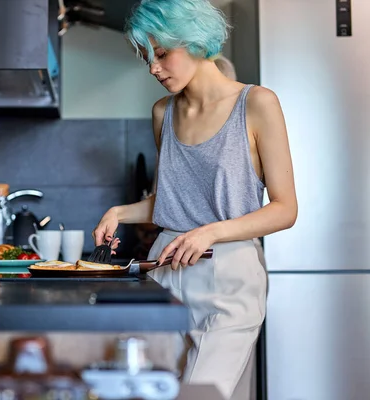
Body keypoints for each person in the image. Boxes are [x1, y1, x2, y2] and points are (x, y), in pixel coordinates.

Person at [92, 0, 297, 398]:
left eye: (163, 54)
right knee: (153, 390)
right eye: (147, 57)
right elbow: (173, 200)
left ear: (195, 40)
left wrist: (209, 233)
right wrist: (120, 212)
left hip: (228, 272)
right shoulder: (162, 113)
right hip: (166, 267)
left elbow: (285, 209)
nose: (153, 67)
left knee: (199, 394)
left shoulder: (256, 104)